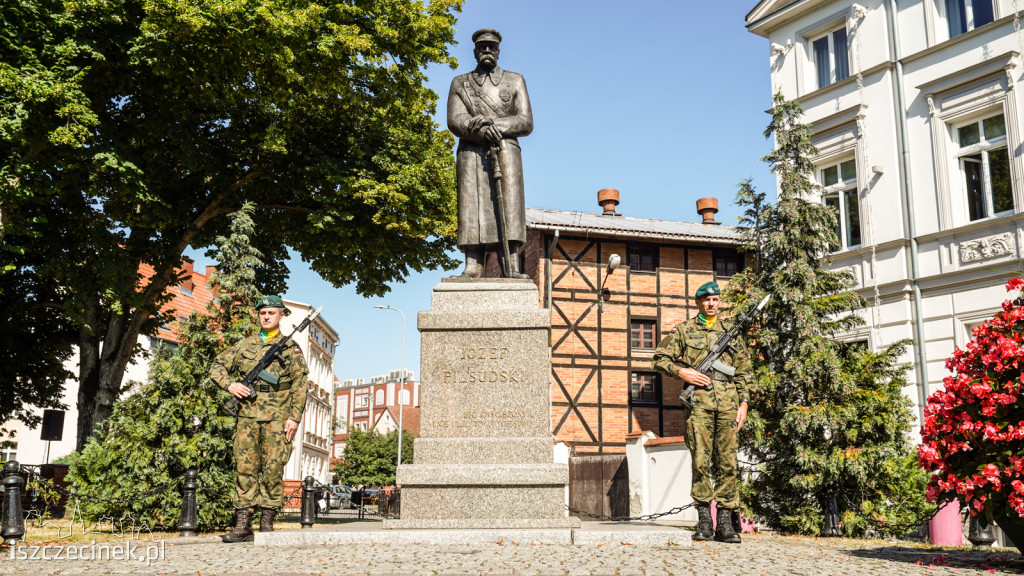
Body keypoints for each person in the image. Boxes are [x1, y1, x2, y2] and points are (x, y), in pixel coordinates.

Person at [652, 281, 752, 544]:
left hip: (729, 406)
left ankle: (726, 525)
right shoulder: (684, 331)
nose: (711, 304)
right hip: (699, 406)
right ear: (698, 303)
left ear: (720, 302)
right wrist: (682, 372)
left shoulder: (731, 331)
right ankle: (705, 521)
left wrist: (744, 404)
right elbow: (660, 358)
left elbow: (744, 371)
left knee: (728, 464)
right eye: (706, 300)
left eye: (715, 300)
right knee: (700, 463)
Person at [210, 295, 309, 543]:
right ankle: (243, 526)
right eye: (263, 312)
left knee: (273, 469)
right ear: (258, 315)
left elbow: (300, 385)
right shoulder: (244, 345)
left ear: (281, 315)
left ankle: (267, 525)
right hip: (247, 415)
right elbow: (217, 365)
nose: (266, 316)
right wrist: (230, 385)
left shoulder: (290, 347)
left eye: (271, 313)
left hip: (278, 417)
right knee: (245, 469)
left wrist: (294, 418)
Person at [447, 28, 533, 278]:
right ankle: (473, 264)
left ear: (498, 51)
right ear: (475, 51)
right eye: (482, 47)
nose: (486, 51)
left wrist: (494, 127)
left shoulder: (515, 80)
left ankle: (511, 266)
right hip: (471, 150)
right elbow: (455, 119)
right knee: (471, 204)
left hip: (506, 149)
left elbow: (525, 121)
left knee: (509, 205)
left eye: (491, 47)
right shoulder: (460, 83)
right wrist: (479, 131)